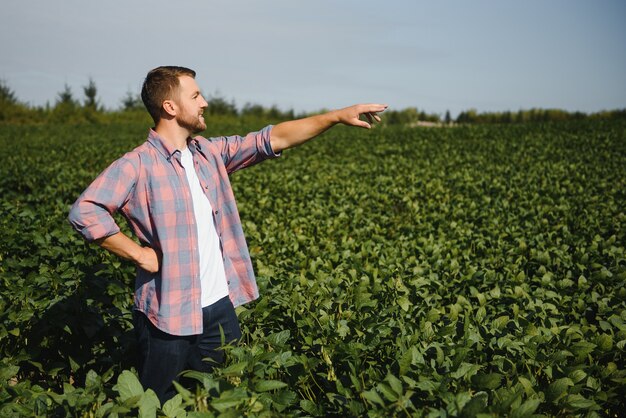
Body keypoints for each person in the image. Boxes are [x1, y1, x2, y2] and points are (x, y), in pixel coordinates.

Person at [68, 65, 386, 402]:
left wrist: (337, 116)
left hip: (219, 310)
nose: (204, 102)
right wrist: (138, 253)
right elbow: (85, 210)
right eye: (195, 96)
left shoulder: (208, 154)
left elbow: (272, 138)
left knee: (222, 402)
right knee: (156, 404)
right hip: (169, 316)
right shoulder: (138, 164)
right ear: (170, 107)